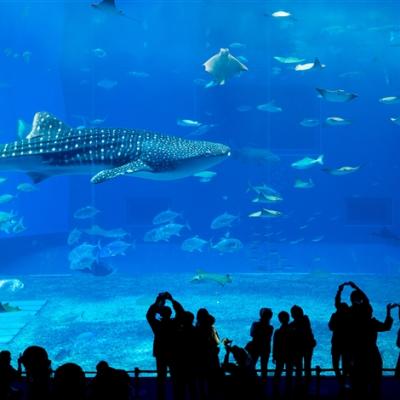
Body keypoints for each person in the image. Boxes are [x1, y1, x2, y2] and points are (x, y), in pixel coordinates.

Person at [146, 292, 184, 400]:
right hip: (174, 353)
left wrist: (159, 300)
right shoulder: (175, 324)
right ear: (171, 313)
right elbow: (181, 313)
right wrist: (172, 300)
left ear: (161, 314)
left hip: (161, 354)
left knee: (161, 378)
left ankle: (161, 397)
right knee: (176, 378)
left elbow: (149, 314)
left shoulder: (157, 325)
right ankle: (178, 397)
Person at [195, 308, 221, 400]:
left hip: (200, 358)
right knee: (212, 379)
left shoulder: (196, 328)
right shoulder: (211, 328)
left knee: (201, 380)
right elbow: (217, 342)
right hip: (211, 356)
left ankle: (203, 396)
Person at [328, 283, 351, 387]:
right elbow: (337, 303)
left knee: (336, 363)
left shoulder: (336, 315)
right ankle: (343, 379)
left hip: (337, 342)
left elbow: (330, 327)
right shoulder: (350, 316)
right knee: (346, 363)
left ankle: (341, 379)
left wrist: (339, 291)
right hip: (347, 343)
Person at [289, 305, 316, 384]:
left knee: (299, 365)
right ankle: (307, 381)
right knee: (306, 364)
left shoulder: (297, 323)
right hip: (308, 346)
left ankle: (300, 381)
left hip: (300, 347)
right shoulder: (305, 319)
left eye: (292, 313)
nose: (292, 315)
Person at [245, 307, 273, 381]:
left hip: (255, 346)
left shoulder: (255, 324)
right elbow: (268, 338)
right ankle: (263, 382)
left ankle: (252, 380)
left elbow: (252, 334)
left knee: (252, 364)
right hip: (266, 348)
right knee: (264, 367)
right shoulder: (270, 327)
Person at [272, 311, 293, 396]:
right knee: (289, 372)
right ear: (288, 318)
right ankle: (288, 389)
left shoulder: (277, 332)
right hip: (289, 355)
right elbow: (294, 345)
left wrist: (274, 355)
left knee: (278, 372)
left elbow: (275, 345)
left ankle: (275, 388)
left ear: (279, 320)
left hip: (280, 355)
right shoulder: (292, 331)